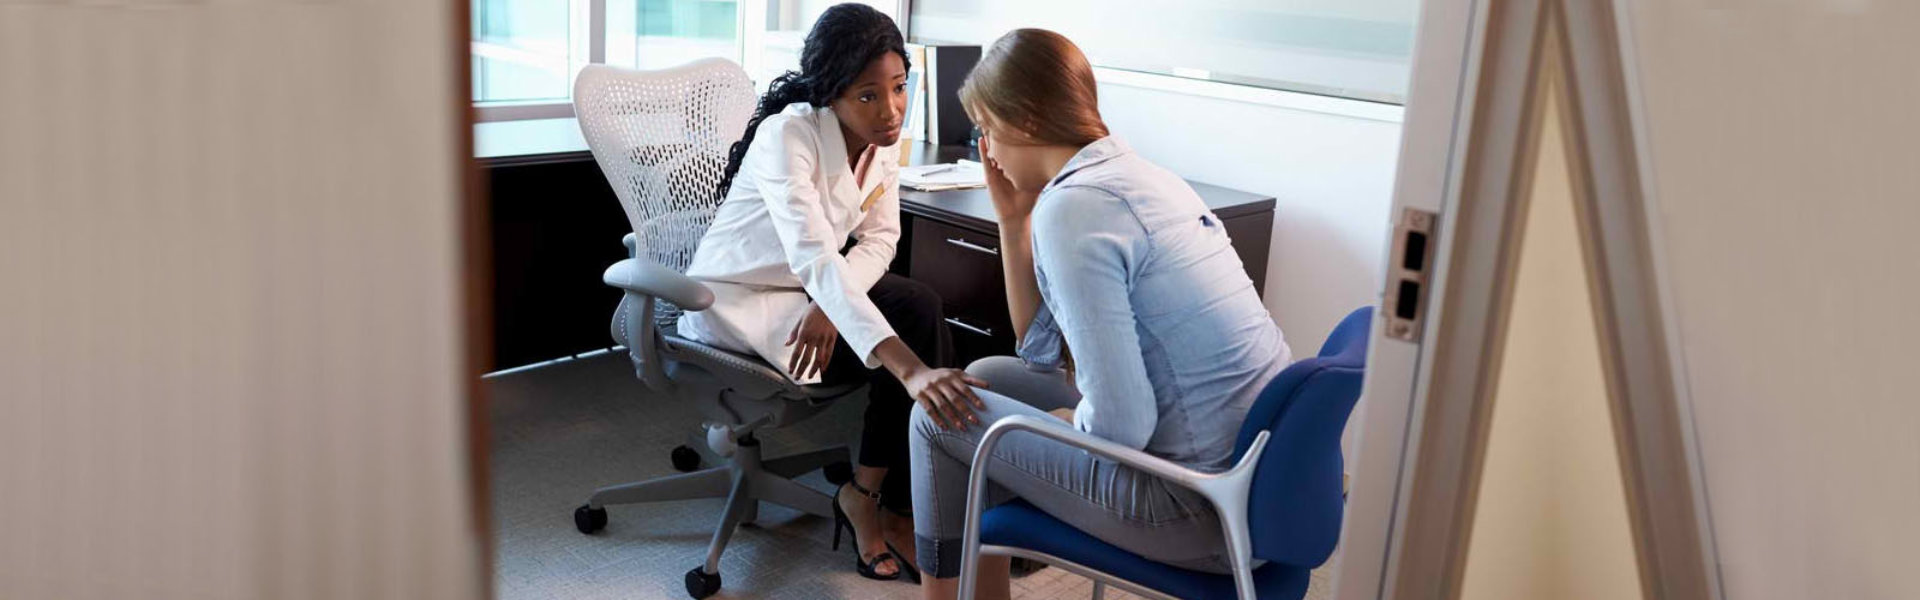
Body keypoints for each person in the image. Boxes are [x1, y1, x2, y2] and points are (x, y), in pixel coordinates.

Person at [907, 29, 1293, 600]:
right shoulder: (1143, 178)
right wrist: (1015, 221)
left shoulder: (1075, 208)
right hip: (1257, 489)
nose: (985, 148)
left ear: (1028, 120)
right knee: (985, 378)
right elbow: (1039, 354)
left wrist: (1071, 424)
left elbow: (1121, 425)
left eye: (987, 128)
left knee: (938, 416)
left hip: (1192, 508)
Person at [679, 3, 985, 583]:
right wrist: (909, 368)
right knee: (908, 347)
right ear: (831, 95)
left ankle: (880, 499)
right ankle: (886, 504)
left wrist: (828, 305)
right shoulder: (787, 135)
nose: (891, 111)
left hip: (808, 292)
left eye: (899, 88)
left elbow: (881, 238)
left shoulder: (882, 137)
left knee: (919, 305)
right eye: (868, 96)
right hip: (738, 300)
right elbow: (816, 255)